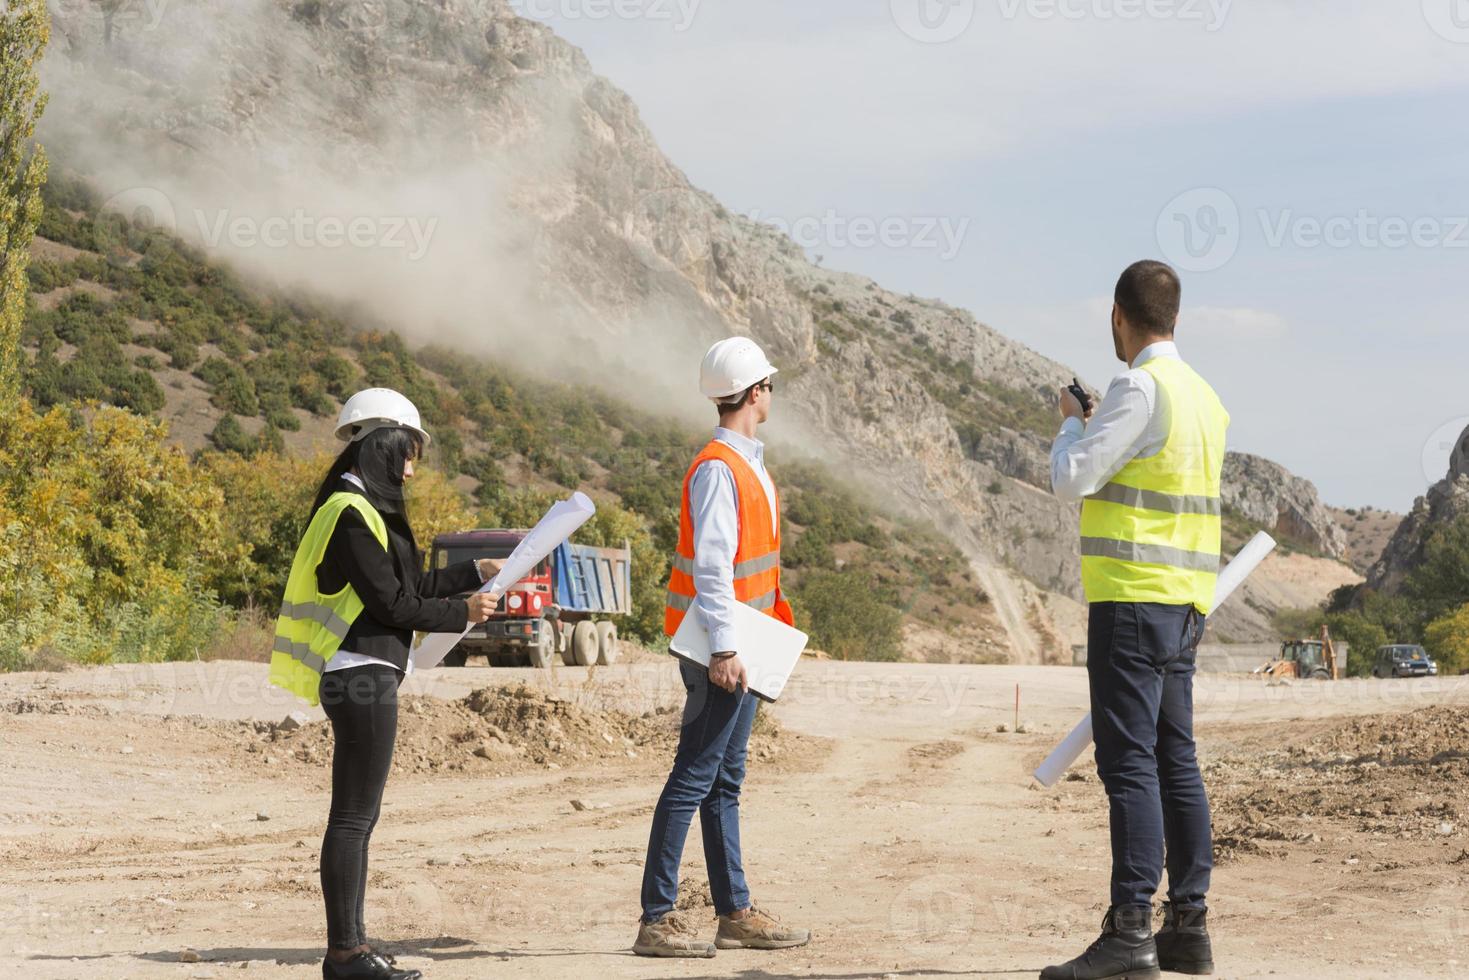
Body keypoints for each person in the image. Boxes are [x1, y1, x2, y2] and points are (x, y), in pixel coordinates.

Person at [269, 388, 498, 980]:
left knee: (356, 817)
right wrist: (464, 614)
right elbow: (394, 602)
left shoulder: (360, 508)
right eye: (410, 452)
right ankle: (345, 954)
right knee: (352, 818)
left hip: (363, 673)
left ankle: (351, 947)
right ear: (384, 446)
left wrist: (474, 574)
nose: (413, 467)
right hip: (358, 674)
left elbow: (407, 581)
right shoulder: (349, 513)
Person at [1042, 261, 1228, 980]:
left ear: (1119, 316)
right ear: (1173, 317)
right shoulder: (1203, 399)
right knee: (1175, 759)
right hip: (1184, 605)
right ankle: (1188, 926)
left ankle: (1128, 933)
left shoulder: (1138, 387)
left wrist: (1067, 426)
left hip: (1130, 603)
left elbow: (1071, 478)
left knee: (1129, 768)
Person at [632, 338, 812, 959]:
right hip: (723, 652)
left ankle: (733, 912)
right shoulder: (718, 467)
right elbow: (712, 568)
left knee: (723, 781)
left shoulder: (746, 461)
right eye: (769, 385)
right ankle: (656, 919)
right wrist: (726, 650)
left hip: (746, 646)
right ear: (755, 391)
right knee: (694, 778)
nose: (771, 394)